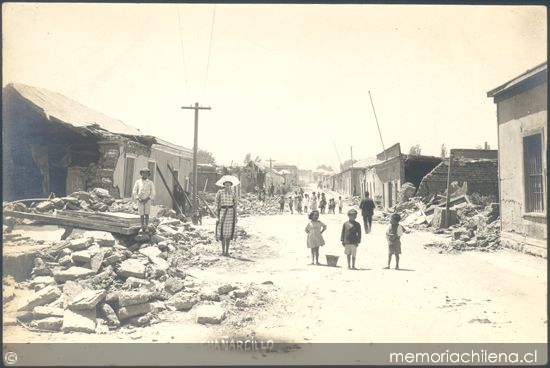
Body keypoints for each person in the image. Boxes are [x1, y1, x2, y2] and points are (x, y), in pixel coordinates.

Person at [215, 180, 238, 256]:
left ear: (231, 186)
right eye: (226, 185)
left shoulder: (233, 193)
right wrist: (217, 215)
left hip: (231, 213)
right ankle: (223, 251)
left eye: (229, 185)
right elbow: (216, 203)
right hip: (222, 212)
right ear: (223, 185)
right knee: (222, 232)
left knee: (229, 233)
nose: (227, 186)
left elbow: (235, 204)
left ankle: (227, 251)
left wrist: (236, 216)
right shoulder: (220, 192)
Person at [133, 167, 156, 233]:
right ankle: (142, 226)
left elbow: (153, 192)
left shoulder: (150, 182)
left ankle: (146, 227)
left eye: (146, 173)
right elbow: (134, 191)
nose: (145, 174)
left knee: (147, 213)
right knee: (141, 214)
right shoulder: (138, 182)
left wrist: (148, 198)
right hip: (140, 200)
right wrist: (137, 198)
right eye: (143, 173)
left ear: (148, 174)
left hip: (147, 200)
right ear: (141, 173)